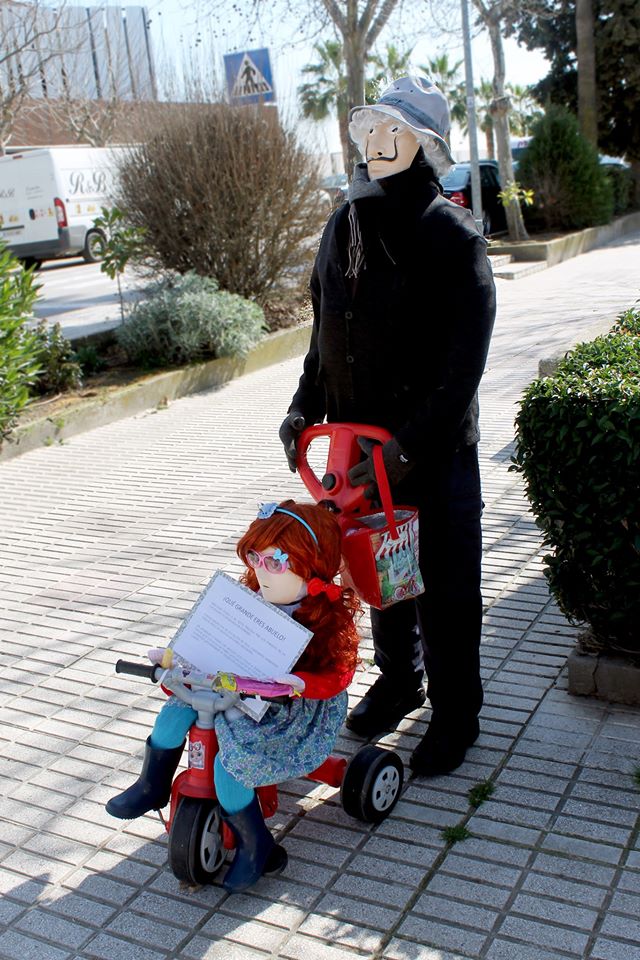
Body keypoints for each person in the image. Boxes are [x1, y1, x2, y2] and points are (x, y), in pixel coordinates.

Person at [279, 77, 496, 778]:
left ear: (425, 145)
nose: (376, 146)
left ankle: (458, 710)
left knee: (446, 587)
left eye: (393, 133)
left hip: (431, 455)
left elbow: (463, 366)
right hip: (357, 452)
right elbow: (325, 332)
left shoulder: (449, 234)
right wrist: (302, 406)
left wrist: (411, 446)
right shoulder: (343, 224)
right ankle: (399, 680)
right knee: (383, 578)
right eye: (369, 131)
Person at [106, 500, 361, 892]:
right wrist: (179, 660)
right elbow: (214, 643)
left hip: (290, 711)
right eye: (255, 558)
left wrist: (299, 682)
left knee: (231, 766)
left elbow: (339, 673)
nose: (261, 572)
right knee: (174, 715)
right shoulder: (248, 601)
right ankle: (151, 785)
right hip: (236, 693)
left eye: (275, 562)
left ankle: (255, 842)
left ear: (312, 567)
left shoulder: (325, 619)